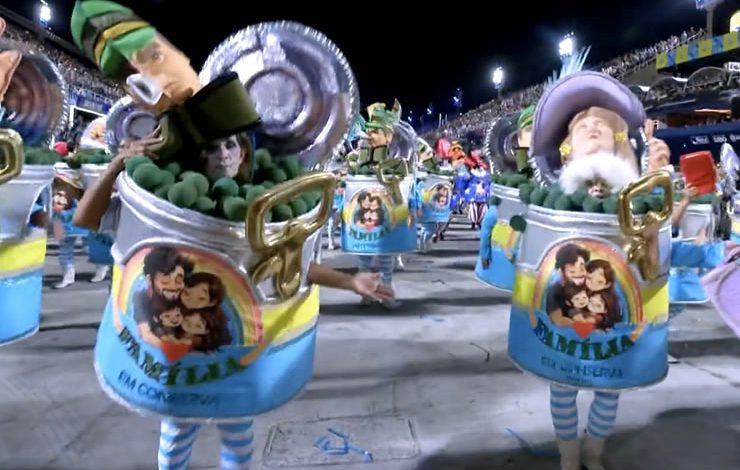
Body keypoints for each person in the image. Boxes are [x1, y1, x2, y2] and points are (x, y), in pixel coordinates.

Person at [70, 2, 392, 469]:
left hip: (235, 360)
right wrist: (119, 163)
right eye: (212, 147)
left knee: (238, 440)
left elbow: (292, 266)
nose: (223, 154)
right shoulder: (166, 202)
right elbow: (85, 219)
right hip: (174, 364)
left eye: (231, 145)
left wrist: (351, 281)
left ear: (245, 153)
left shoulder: (263, 203)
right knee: (175, 437)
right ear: (196, 155)